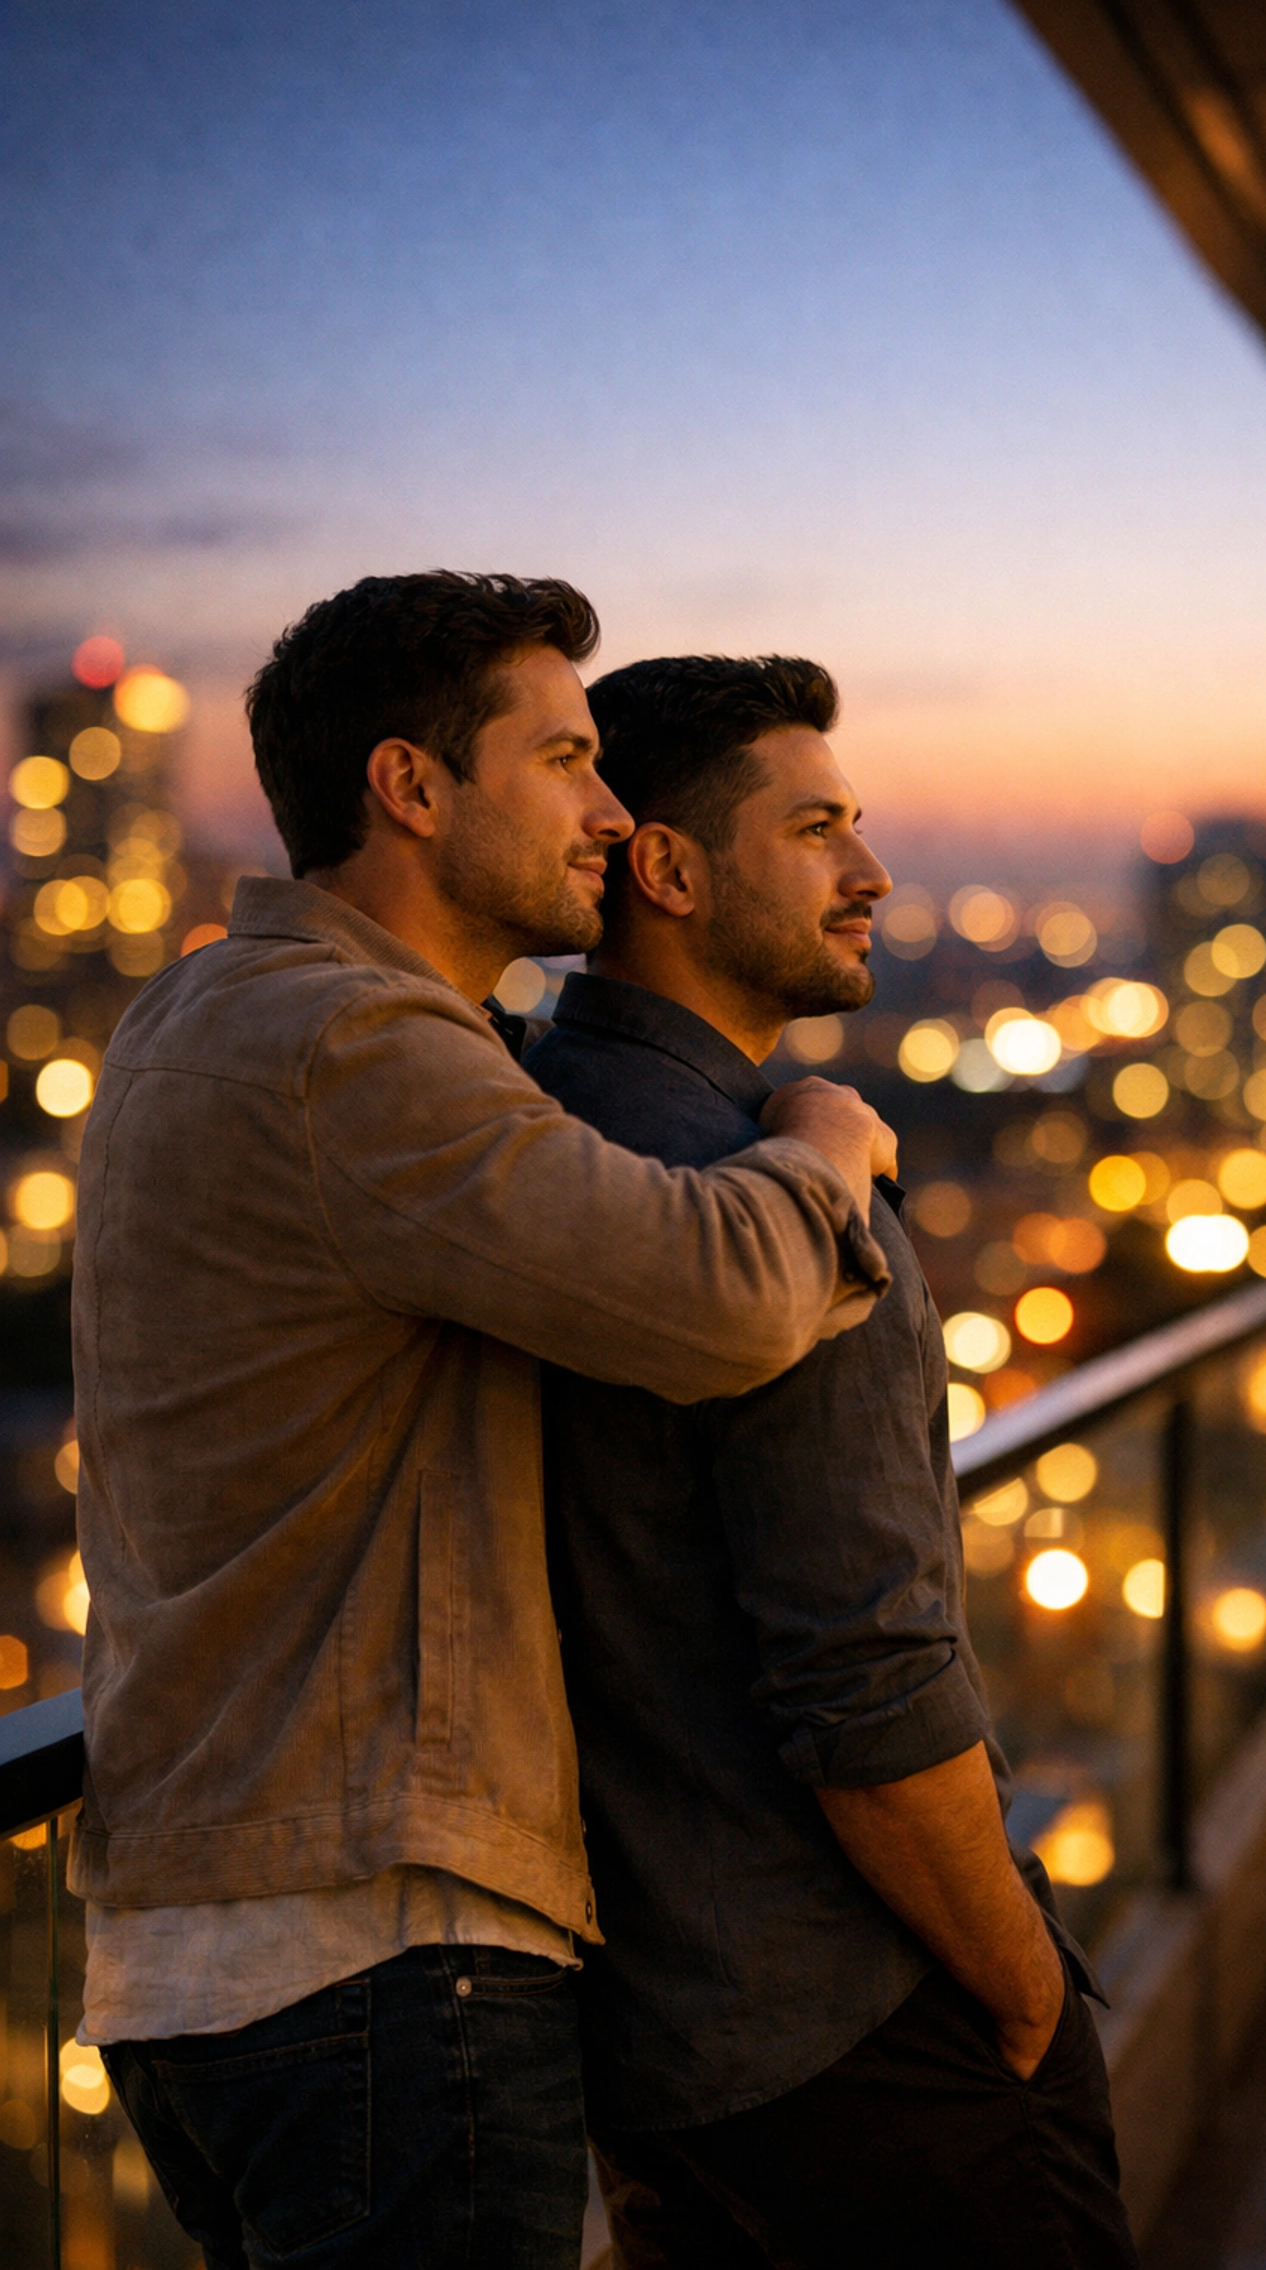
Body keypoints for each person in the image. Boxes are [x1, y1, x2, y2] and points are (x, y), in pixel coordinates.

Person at [71, 576, 897, 2270]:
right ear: (413, 788)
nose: (608, 812)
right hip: (377, 1956)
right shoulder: (352, 1045)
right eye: (566, 759)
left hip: (208, 1951)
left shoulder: (195, 1014)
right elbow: (719, 1299)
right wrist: (820, 1141)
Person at [522, 654, 1137, 2270]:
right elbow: (867, 1685)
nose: (870, 873)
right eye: (817, 829)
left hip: (638, 2043)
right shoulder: (771, 1198)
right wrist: (1023, 1990)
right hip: (854, 2031)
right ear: (665, 867)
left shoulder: (509, 1137)